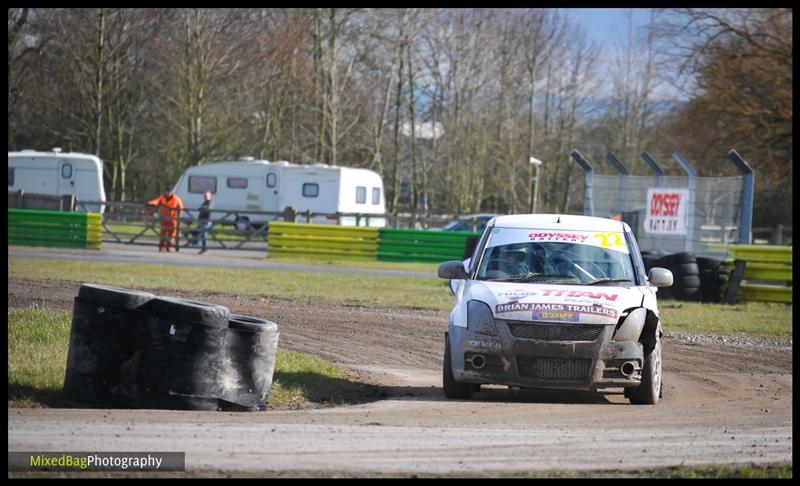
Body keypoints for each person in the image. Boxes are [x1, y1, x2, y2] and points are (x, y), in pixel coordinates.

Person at [147, 186, 184, 253]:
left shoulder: (176, 199)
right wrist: (150, 203)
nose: (167, 193)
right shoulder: (162, 197)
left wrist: (178, 216)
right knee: (163, 233)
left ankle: (168, 248)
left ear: (171, 192)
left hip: (173, 220)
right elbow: (156, 201)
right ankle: (161, 247)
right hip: (163, 219)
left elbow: (181, 208)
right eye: (166, 191)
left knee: (171, 234)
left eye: (169, 192)